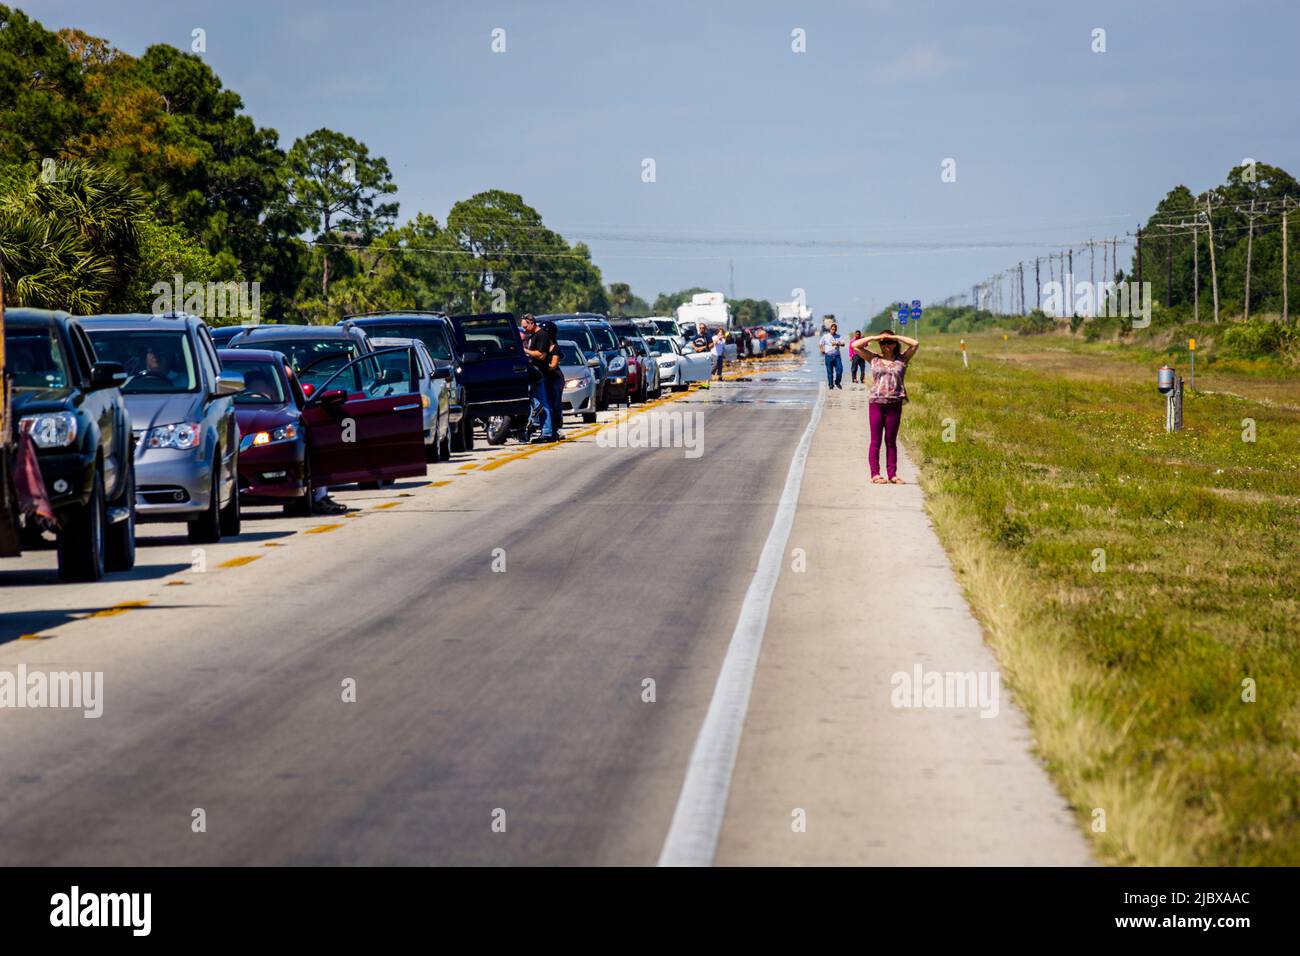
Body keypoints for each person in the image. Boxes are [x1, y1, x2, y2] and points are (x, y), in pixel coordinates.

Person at [850, 330, 918, 485]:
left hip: (895, 403)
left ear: (895, 344)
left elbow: (915, 344)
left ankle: (892, 474)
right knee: (876, 440)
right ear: (880, 344)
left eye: (890, 342)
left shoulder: (902, 359)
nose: (887, 345)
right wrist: (875, 337)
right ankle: (875, 474)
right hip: (876, 402)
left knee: (891, 440)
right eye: (884, 342)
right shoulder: (874, 358)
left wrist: (894, 336)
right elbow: (855, 345)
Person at [519, 314, 559, 442]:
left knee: (543, 403)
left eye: (525, 326)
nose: (524, 329)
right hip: (533, 372)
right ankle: (543, 430)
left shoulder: (542, 335)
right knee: (537, 401)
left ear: (532, 323)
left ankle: (547, 433)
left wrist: (525, 351)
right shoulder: (532, 336)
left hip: (538, 373)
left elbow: (541, 355)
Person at [819, 321, 845, 389]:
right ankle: (830, 385)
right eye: (832, 329)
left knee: (840, 370)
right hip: (828, 356)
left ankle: (837, 382)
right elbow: (821, 343)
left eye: (835, 329)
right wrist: (822, 350)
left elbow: (843, 344)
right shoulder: (825, 336)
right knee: (830, 371)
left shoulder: (839, 336)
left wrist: (838, 344)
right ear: (830, 329)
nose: (834, 330)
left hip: (837, 357)